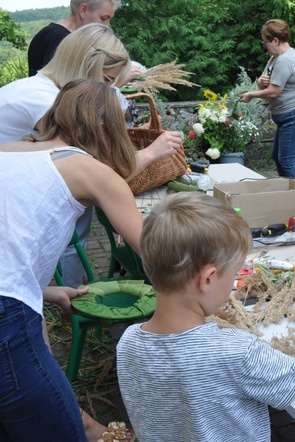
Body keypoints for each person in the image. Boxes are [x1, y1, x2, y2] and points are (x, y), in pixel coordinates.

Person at [117, 192, 295, 442]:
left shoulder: (128, 342)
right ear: (208, 279)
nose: (234, 284)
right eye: (233, 275)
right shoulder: (236, 352)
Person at [0, 79, 144, 441]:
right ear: (103, 125)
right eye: (121, 124)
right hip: (5, 317)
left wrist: (44, 292)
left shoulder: (7, 150)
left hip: (11, 304)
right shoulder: (89, 169)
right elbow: (157, 252)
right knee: (61, 431)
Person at [0, 23, 182, 288]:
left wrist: (46, 294)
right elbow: (151, 251)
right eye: (106, 80)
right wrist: (150, 153)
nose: (107, 87)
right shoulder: (46, 103)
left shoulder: (28, 137)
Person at [239, 19, 295, 180]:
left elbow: (273, 91)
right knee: (278, 157)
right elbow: (263, 82)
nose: (264, 45)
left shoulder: (285, 60)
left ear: (276, 40)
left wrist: (250, 95)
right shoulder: (275, 58)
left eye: (266, 42)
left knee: (286, 160)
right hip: (287, 116)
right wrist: (259, 82)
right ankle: (287, 192)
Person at [27, 0, 121, 76]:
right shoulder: (59, 39)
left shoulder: (62, 36)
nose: (107, 26)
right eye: (103, 18)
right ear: (83, 10)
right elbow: (62, 85)